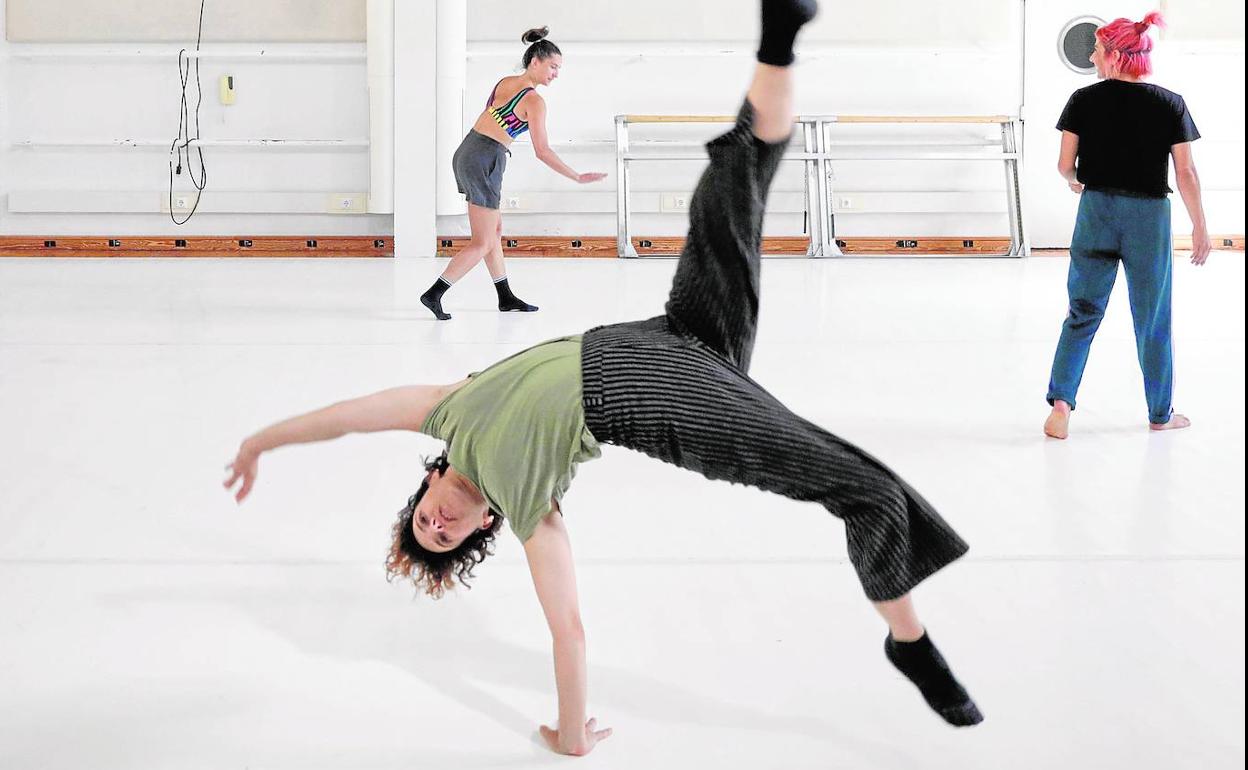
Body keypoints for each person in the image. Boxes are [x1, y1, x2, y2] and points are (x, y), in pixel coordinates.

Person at [227, 1, 982, 755]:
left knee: (731, 178)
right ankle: (907, 638)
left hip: (673, 335)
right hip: (669, 403)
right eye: (446, 540)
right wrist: (570, 733)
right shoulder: (526, 509)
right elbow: (569, 631)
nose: (438, 526)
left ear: (423, 488)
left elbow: (349, 415)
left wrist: (262, 440)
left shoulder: (446, 412)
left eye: (423, 522)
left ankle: (779, 33)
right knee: (863, 485)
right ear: (483, 529)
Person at [1044, 11, 1212, 440]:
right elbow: (1186, 173)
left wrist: (1077, 182)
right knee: (1152, 319)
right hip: (1148, 217)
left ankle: (1061, 404)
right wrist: (1199, 226)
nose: (1093, 57)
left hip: (1096, 211)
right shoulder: (1170, 103)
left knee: (1081, 312)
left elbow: (1066, 166)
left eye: (1098, 50)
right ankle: (1160, 413)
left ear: (1117, 56)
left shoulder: (1083, 100)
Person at [420, 27, 608, 321]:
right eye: (553, 67)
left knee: (493, 232)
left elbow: (489, 116)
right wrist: (576, 176)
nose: (556, 73)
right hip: (485, 158)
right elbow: (542, 150)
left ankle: (505, 296)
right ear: (536, 62)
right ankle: (434, 293)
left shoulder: (504, 82)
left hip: (469, 151)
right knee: (482, 241)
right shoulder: (534, 101)